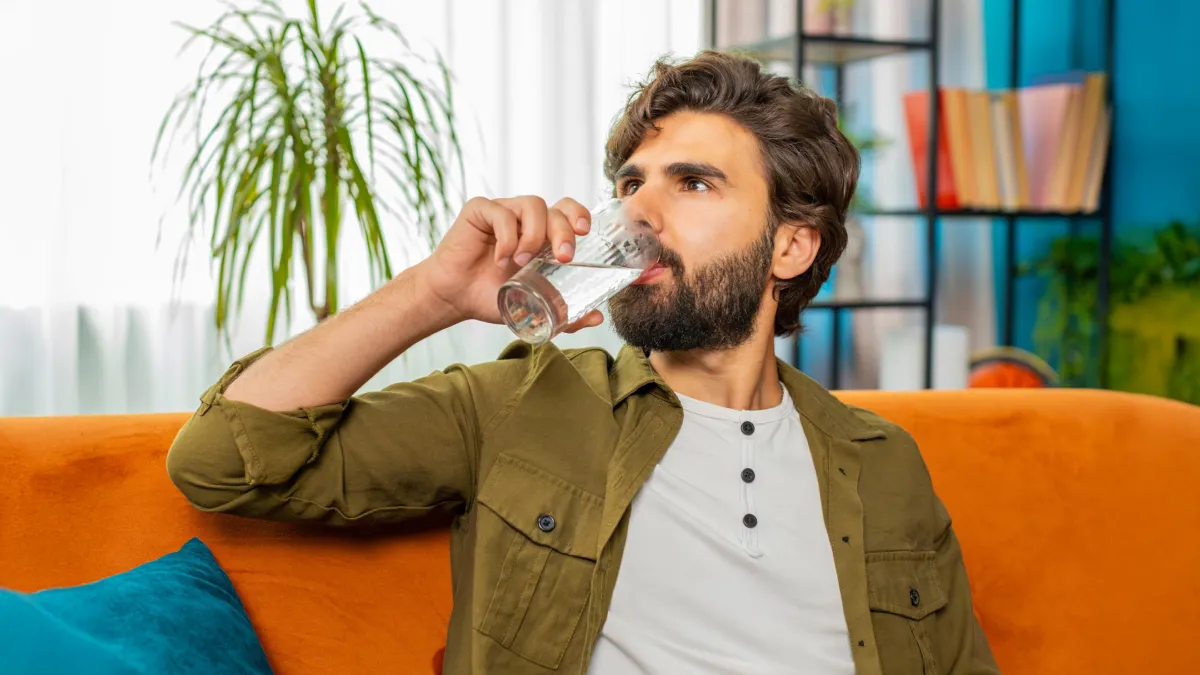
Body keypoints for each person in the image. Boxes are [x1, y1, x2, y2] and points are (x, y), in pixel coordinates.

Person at [167, 50, 998, 675]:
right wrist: (434, 292)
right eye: (631, 184)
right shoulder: (523, 402)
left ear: (790, 246)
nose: (639, 212)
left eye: (693, 184)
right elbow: (223, 459)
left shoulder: (883, 463)